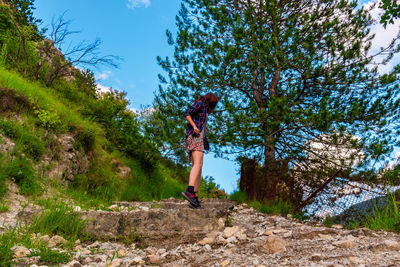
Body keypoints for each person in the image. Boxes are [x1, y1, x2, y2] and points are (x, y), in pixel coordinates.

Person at [181, 93, 219, 208]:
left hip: (199, 139)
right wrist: (194, 127)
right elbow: (186, 113)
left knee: (198, 166)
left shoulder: (205, 110)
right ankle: (190, 190)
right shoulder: (200, 104)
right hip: (195, 137)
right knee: (197, 164)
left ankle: (194, 196)